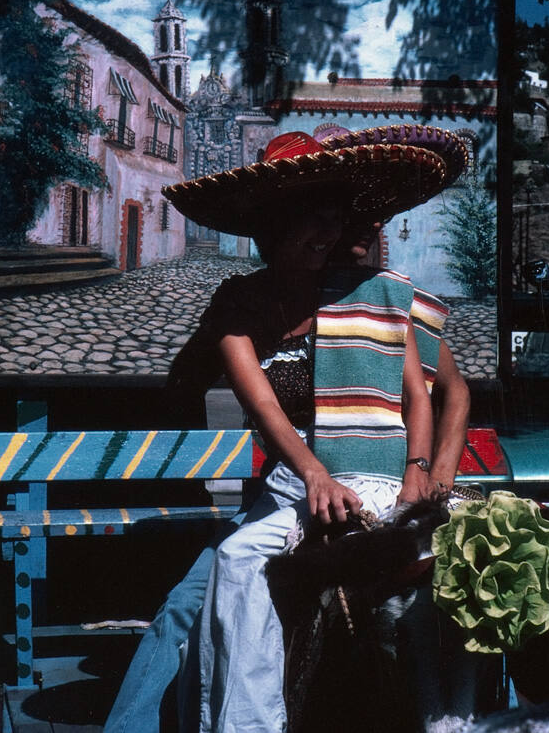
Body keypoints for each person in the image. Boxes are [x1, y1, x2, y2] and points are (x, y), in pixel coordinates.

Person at [103, 219, 469, 733]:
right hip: (288, 491)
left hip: (377, 485)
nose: (345, 236)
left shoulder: (370, 298)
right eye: (318, 221)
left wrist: (430, 479)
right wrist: (315, 475)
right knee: (190, 602)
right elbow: (255, 407)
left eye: (343, 223)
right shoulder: (245, 302)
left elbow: (448, 391)